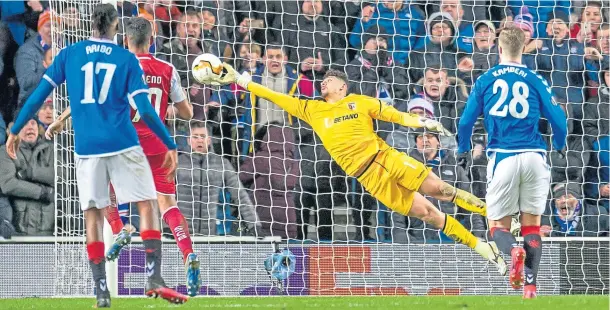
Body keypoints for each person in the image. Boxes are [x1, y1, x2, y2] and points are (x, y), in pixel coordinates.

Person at [200, 63, 508, 275]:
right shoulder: (312, 109)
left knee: (442, 191)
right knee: (428, 214)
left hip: (385, 157)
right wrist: (238, 80)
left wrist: (421, 122)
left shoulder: (360, 102)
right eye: (322, 80)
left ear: (343, 86)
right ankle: (485, 250)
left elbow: (394, 115)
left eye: (329, 80)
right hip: (368, 177)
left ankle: (498, 218)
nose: (323, 82)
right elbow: (273, 95)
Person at [6, 4, 187, 307]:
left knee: (93, 214)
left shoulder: (69, 55)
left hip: (88, 148)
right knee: (147, 203)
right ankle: (154, 277)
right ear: (117, 27)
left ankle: (101, 290)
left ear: (91, 25)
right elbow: (144, 109)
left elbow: (38, 93)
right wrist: (169, 143)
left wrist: (16, 128)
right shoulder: (125, 58)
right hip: (123, 142)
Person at [47, 16, 200, 297]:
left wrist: (61, 119)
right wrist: (163, 108)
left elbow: (96, 100)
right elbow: (188, 113)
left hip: (125, 145)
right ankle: (187, 252)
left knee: (102, 190)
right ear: (152, 40)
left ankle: (120, 228)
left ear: (125, 40)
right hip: (157, 148)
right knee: (166, 204)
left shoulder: (119, 65)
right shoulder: (167, 69)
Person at [457, 26, 568, 299]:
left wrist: (463, 148)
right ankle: (530, 286)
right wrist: (561, 144)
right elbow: (559, 119)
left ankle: (512, 251)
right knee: (531, 225)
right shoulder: (534, 79)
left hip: (503, 156)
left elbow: (465, 121)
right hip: (535, 157)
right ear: (524, 47)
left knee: (497, 226)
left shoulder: (485, 79)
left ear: (498, 48)